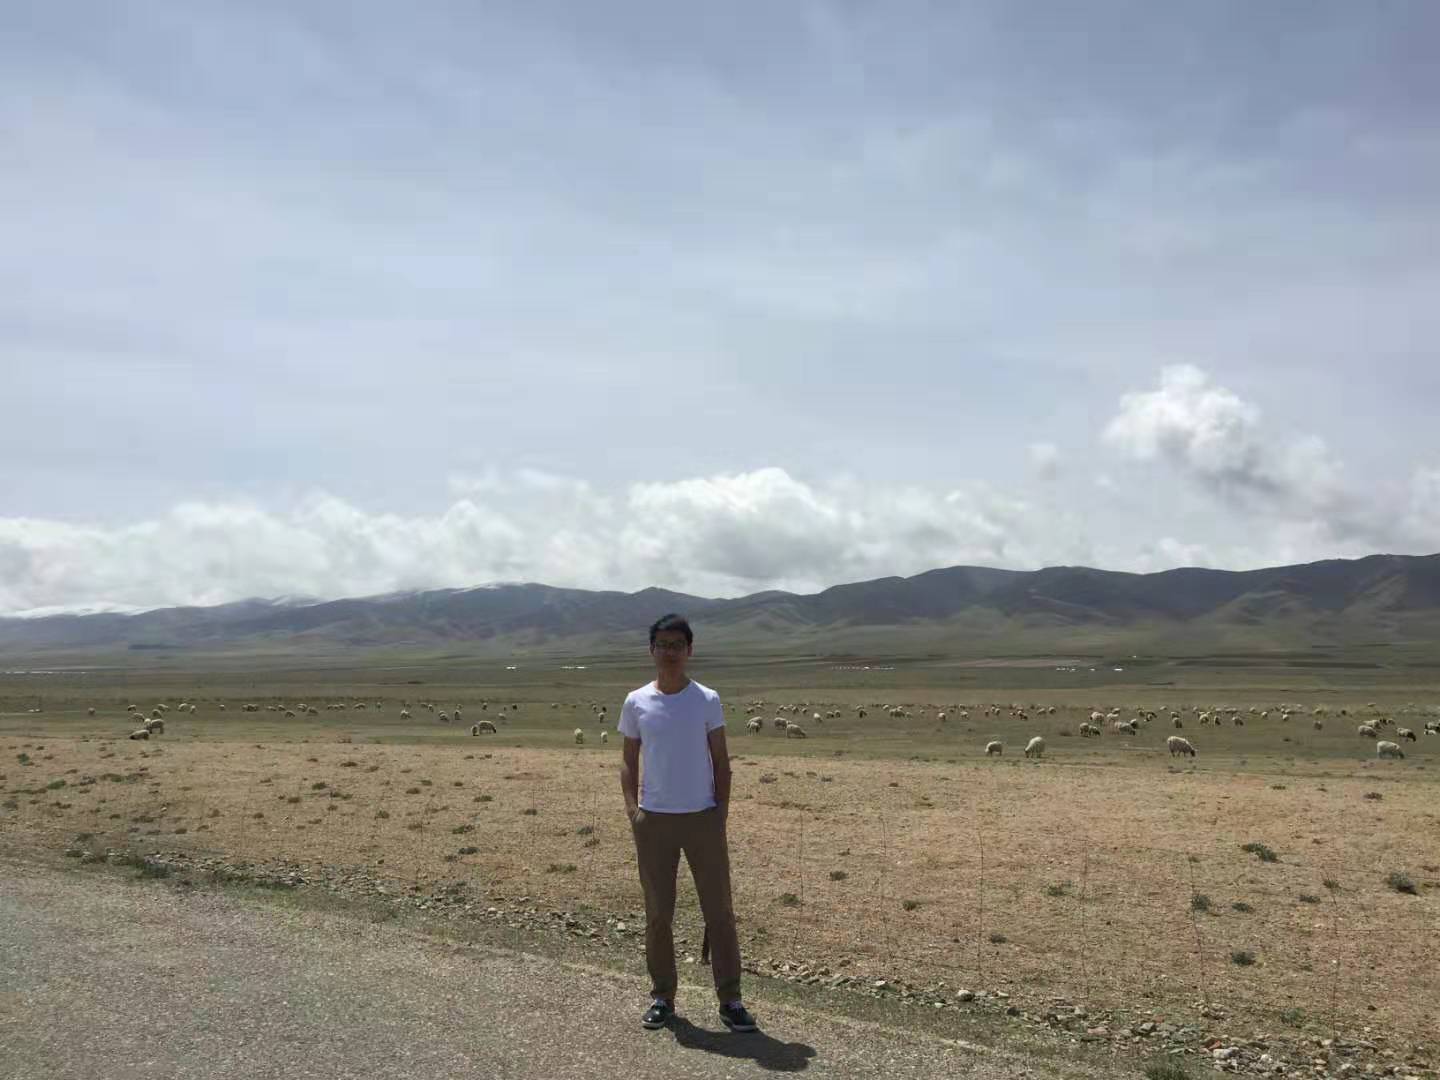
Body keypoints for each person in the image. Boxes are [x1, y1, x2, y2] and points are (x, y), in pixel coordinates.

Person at [618, 613, 757, 1033]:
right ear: (652, 650)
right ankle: (663, 996)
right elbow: (628, 761)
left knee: (720, 912)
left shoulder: (706, 699)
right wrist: (634, 811)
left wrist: (720, 813)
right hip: (654, 821)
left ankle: (730, 999)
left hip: (702, 819)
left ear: (689, 650)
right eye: (663, 644)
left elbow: (721, 760)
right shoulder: (636, 701)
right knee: (658, 913)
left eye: (677, 644)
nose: (670, 652)